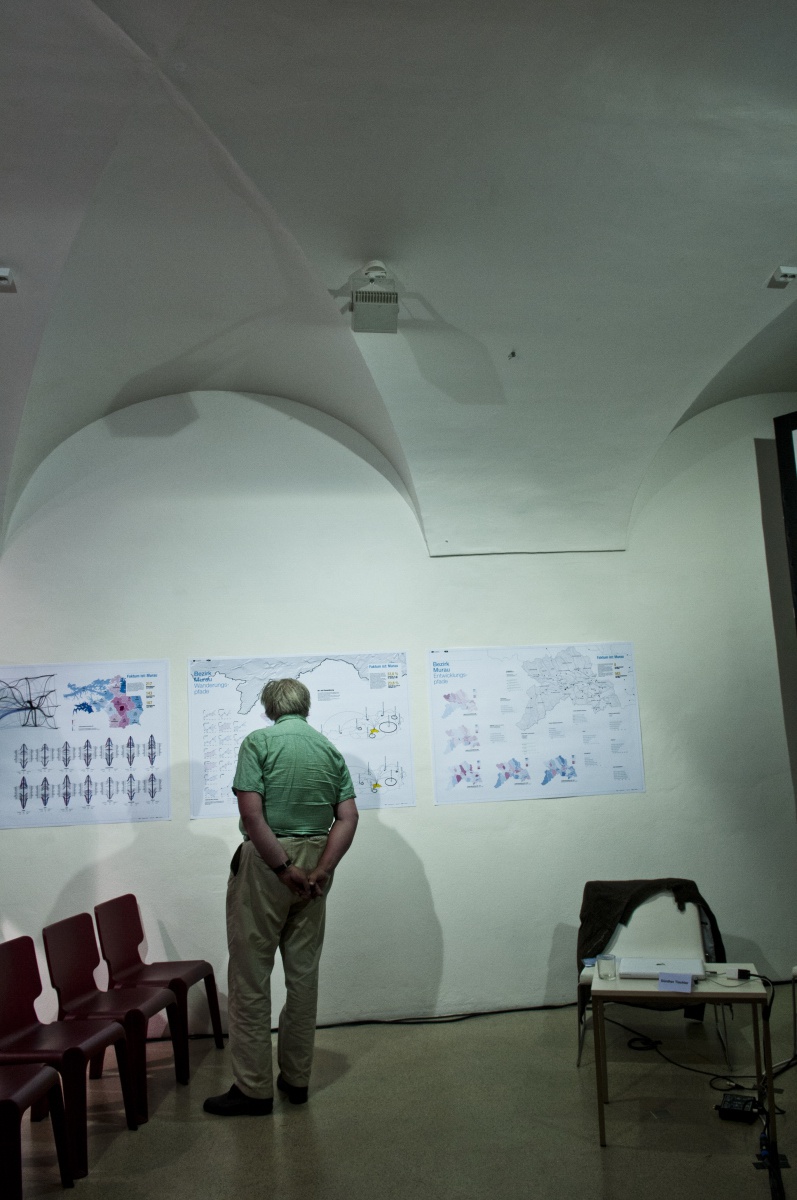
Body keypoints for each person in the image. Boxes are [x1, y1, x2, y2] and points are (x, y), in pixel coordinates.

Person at [204, 677, 358, 1116]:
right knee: (303, 975)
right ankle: (296, 1078)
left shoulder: (259, 743)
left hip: (268, 864)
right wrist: (322, 869)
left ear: (270, 708)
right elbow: (348, 817)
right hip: (317, 861)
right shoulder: (328, 749)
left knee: (250, 976)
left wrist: (282, 867)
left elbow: (252, 816)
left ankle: (253, 1089)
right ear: (305, 706)